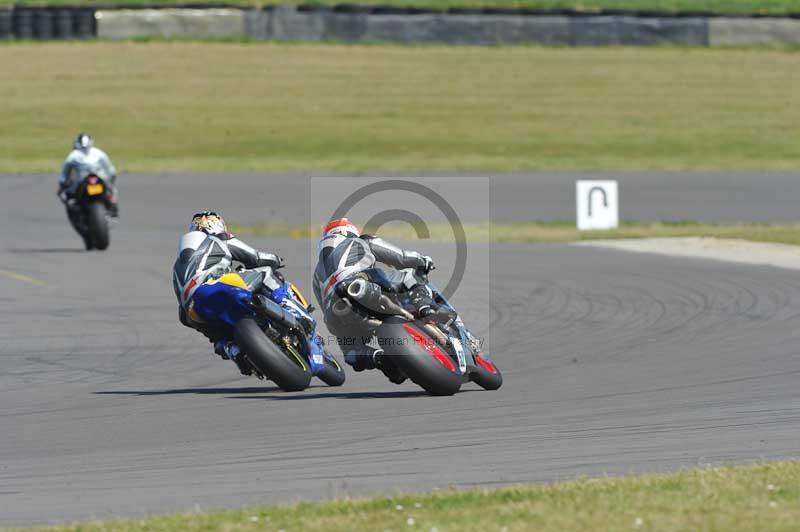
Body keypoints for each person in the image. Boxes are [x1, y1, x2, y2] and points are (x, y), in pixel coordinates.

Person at [172, 211, 314, 375]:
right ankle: (293, 311)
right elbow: (255, 257)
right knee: (266, 272)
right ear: (218, 225)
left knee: (218, 337)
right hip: (215, 288)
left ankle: (235, 351)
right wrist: (276, 259)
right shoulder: (220, 238)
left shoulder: (179, 264)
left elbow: (181, 300)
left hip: (191, 310)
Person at [312, 218, 438, 379]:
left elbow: (324, 306)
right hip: (364, 285)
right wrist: (422, 261)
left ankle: (380, 360)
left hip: (335, 315)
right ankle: (425, 307)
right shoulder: (360, 241)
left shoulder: (316, 275)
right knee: (410, 274)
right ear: (349, 231)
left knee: (352, 353)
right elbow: (400, 257)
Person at [58, 133, 120, 218]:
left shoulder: (73, 155)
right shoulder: (99, 152)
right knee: (112, 191)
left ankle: (112, 204)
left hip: (82, 182)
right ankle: (113, 205)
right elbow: (111, 171)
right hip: (101, 179)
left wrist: (63, 185)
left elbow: (64, 174)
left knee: (67, 195)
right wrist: (111, 182)